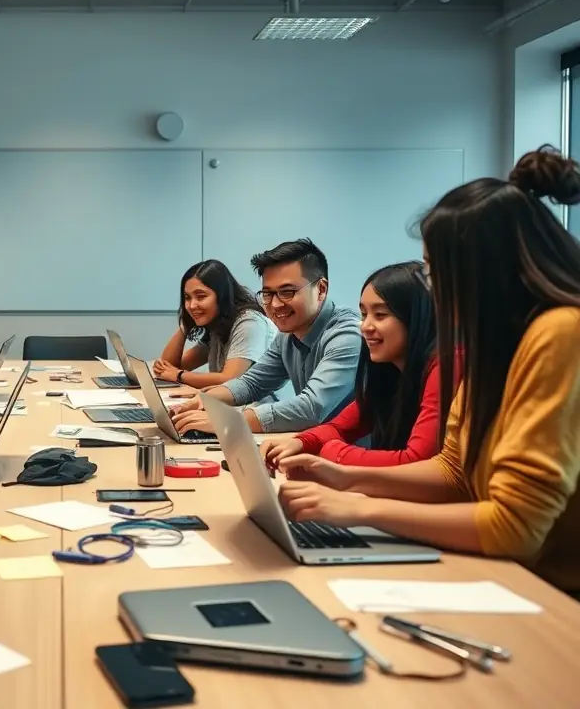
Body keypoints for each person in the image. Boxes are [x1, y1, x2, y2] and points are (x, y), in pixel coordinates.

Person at [277, 146, 580, 597]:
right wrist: (347, 478)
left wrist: (359, 507)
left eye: (436, 274)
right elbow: (454, 471)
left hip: (554, 594)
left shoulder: (561, 333)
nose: (434, 291)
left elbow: (515, 526)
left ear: (483, 271)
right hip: (508, 575)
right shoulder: (495, 344)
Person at [265, 261, 443, 469]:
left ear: (417, 317)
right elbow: (339, 427)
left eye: (380, 315)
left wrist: (330, 452)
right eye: (364, 314)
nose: (365, 326)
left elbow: (415, 462)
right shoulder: (389, 372)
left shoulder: (442, 368)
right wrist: (300, 442)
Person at [171, 239, 361, 434]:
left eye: (287, 292)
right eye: (268, 294)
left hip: (352, 451)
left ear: (321, 289)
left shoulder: (347, 335)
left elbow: (312, 407)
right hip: (312, 442)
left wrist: (229, 421)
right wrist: (205, 399)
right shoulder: (288, 336)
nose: (275, 304)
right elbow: (251, 383)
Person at [153, 259, 278, 390]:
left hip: (261, 402)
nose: (192, 305)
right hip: (227, 401)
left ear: (222, 296)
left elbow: (230, 380)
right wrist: (186, 323)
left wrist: (178, 376)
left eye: (201, 296)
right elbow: (169, 368)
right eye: (187, 298)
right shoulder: (218, 324)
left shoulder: (249, 323)